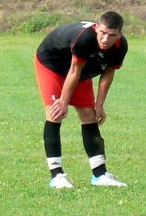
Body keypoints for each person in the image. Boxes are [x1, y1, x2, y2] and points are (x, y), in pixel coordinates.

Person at [35, 11, 128, 189]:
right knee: (55, 113)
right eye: (103, 33)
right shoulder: (85, 38)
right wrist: (63, 100)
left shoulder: (120, 46)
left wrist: (99, 104)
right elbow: (74, 70)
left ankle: (100, 175)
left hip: (81, 68)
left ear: (120, 35)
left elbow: (108, 72)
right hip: (51, 64)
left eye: (112, 35)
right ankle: (57, 176)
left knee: (89, 115)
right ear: (96, 28)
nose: (106, 39)